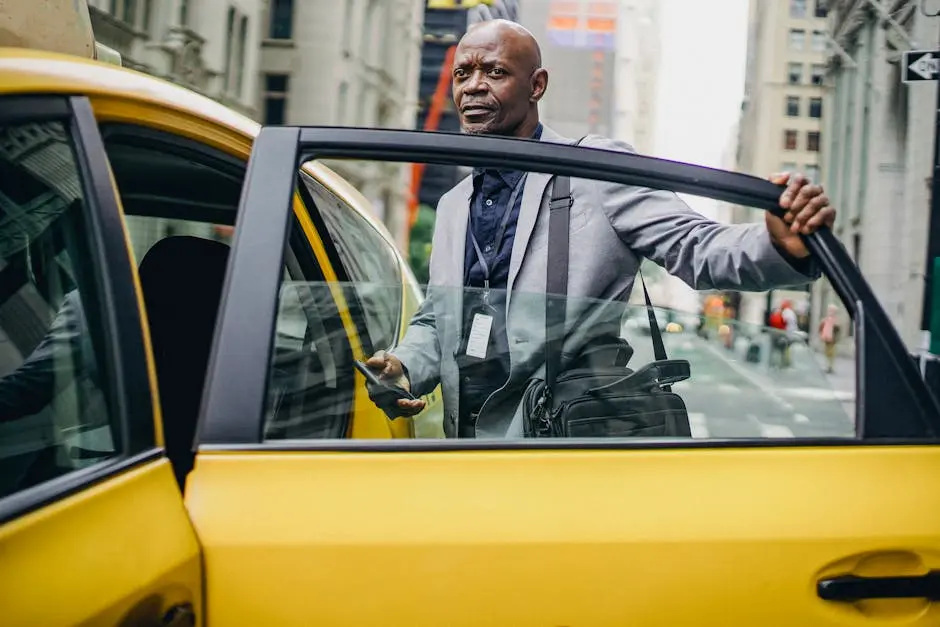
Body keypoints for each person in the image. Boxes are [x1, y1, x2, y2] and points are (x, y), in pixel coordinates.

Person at [365, 20, 836, 439]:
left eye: (495, 72)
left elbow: (698, 247)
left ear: (537, 85)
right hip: (466, 443)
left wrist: (779, 244)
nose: (474, 87)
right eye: (463, 74)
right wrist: (404, 365)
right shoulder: (452, 205)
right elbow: (439, 319)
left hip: (567, 438)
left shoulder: (597, 170)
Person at [818, 304, 841, 373]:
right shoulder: (826, 319)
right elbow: (821, 327)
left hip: (832, 339)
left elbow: (838, 329)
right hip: (826, 338)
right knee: (827, 352)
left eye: (832, 311)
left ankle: (830, 366)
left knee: (831, 353)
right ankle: (827, 366)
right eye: (830, 310)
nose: (831, 312)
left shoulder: (836, 320)